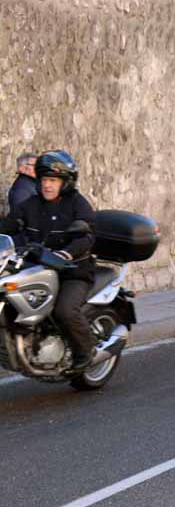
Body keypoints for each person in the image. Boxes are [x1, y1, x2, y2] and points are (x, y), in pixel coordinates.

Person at [0, 151, 97, 370]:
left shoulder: (77, 204)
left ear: (65, 182)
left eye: (53, 180)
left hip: (73, 271)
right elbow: (7, 226)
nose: (47, 185)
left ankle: (86, 350)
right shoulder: (30, 204)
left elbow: (87, 235)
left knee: (64, 310)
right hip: (38, 266)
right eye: (44, 179)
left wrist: (67, 253)